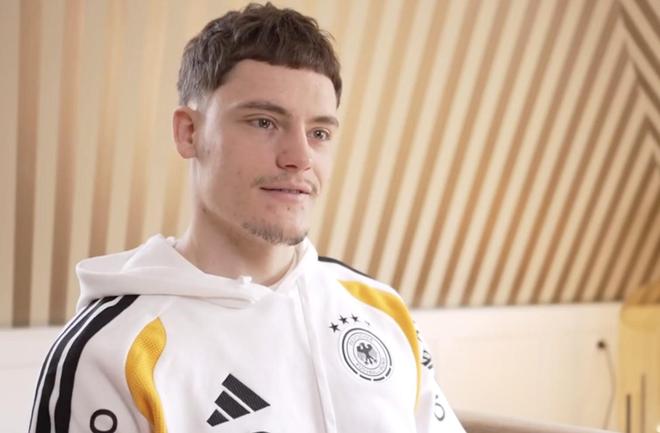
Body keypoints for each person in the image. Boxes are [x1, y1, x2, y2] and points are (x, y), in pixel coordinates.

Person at [29, 3, 465, 432]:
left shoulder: (381, 310)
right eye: (263, 122)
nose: (300, 157)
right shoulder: (111, 353)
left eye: (319, 133)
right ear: (189, 132)